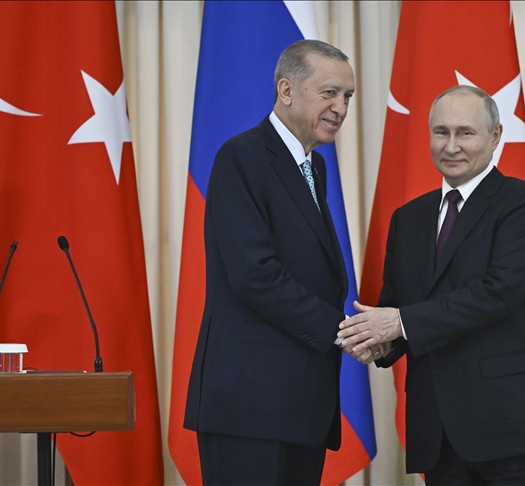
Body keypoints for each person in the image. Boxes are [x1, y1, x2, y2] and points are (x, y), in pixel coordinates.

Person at [338, 86, 525, 485]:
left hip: (512, 429)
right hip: (439, 434)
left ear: (495, 136)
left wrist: (398, 324)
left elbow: (497, 293)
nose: (450, 146)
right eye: (440, 132)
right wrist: (377, 341)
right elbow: (397, 306)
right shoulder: (408, 218)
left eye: (465, 133)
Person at [185, 39, 367, 485]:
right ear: (286, 90)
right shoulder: (242, 156)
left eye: (347, 96)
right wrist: (343, 331)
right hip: (250, 405)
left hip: (300, 405)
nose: (341, 108)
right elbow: (255, 274)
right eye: (329, 93)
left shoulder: (314, 167)